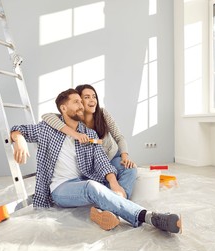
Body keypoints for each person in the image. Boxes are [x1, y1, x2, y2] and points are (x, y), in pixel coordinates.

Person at [11, 88, 182, 234]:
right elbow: (18, 129)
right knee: (92, 187)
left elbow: (101, 160)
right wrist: (19, 140)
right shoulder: (47, 128)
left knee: (121, 176)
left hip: (81, 182)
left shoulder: (90, 135)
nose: (82, 106)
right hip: (60, 189)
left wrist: (114, 183)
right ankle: (149, 217)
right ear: (63, 108)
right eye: (77, 102)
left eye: (81, 101)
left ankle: (110, 212)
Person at [42, 84, 136, 199]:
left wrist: (125, 156)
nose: (92, 100)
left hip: (111, 157)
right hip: (92, 164)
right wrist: (76, 135)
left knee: (130, 169)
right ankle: (114, 201)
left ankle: (120, 201)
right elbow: (47, 116)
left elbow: (119, 137)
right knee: (94, 183)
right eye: (86, 97)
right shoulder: (73, 119)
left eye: (94, 96)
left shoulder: (103, 114)